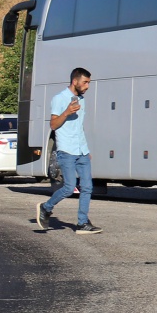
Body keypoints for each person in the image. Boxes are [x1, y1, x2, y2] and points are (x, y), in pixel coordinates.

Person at [40, 68, 100, 234]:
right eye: (85, 82)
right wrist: (66, 112)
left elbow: (79, 128)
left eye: (89, 82)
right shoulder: (59, 99)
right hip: (66, 150)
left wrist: (85, 149)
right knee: (69, 187)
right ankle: (46, 207)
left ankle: (82, 223)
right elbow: (53, 125)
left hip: (81, 150)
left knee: (87, 187)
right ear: (75, 81)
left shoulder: (82, 100)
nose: (87, 86)